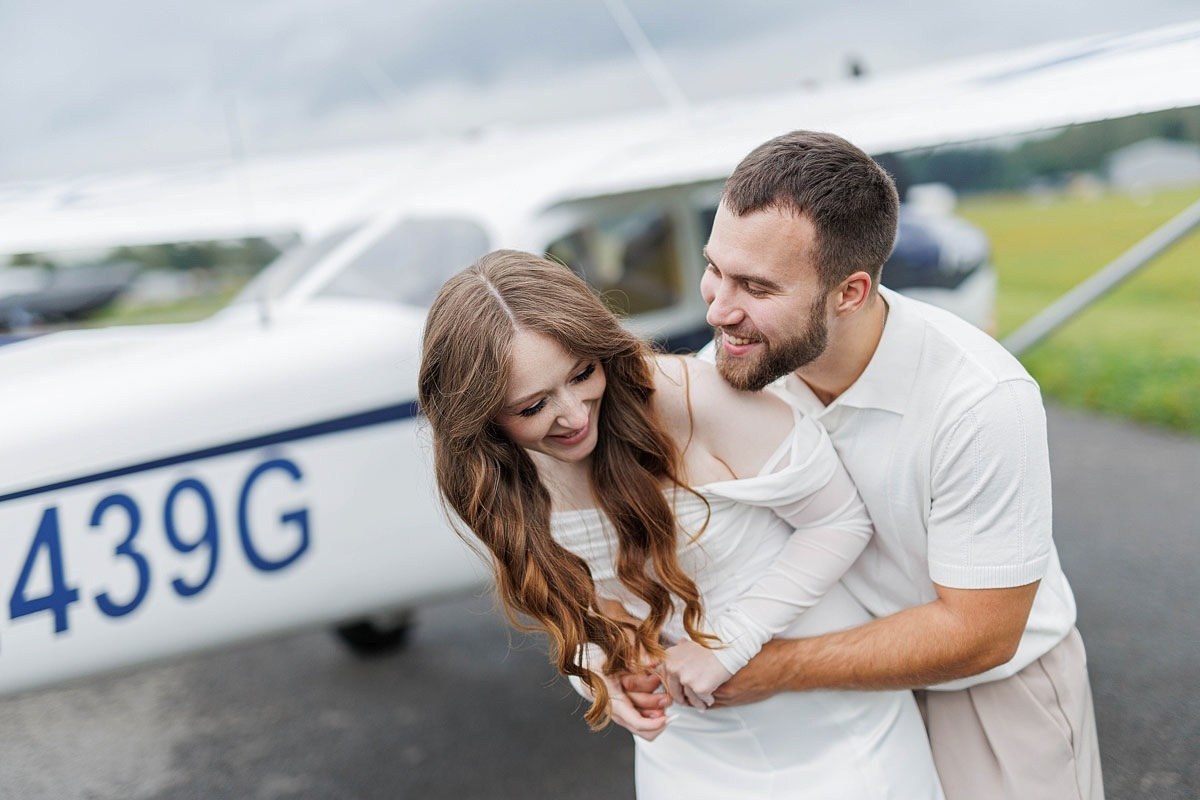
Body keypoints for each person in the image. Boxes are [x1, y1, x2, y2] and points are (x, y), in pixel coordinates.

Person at [615, 130, 1103, 800]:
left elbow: (982, 633)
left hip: (982, 691)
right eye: (715, 268)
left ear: (850, 292)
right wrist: (611, 663)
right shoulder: (722, 371)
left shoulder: (981, 401)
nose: (718, 308)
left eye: (756, 285)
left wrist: (763, 665)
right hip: (833, 705)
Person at [418, 250, 945, 799]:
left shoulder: (692, 397)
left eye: (582, 374)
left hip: (838, 735)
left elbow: (839, 522)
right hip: (688, 751)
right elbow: (585, 597)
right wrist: (601, 668)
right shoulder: (489, 478)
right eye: (532, 407)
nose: (574, 415)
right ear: (478, 419)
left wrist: (727, 645)